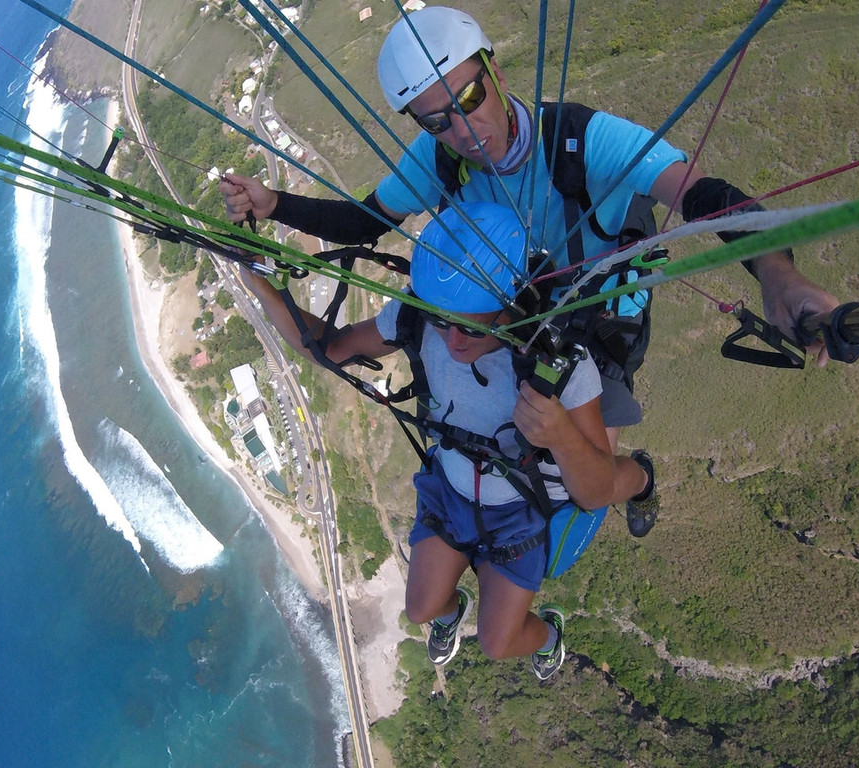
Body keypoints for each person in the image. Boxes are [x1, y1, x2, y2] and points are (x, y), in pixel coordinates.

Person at [221, 5, 840, 537]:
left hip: (590, 319)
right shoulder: (438, 160)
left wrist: (776, 274)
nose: (462, 130)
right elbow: (365, 222)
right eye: (436, 119)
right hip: (499, 317)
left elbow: (701, 195)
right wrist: (278, 207)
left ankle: (639, 479)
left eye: (469, 97)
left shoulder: (577, 139)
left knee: (592, 475)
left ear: (495, 70)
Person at [238, 201, 650, 680]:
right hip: (451, 491)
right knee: (419, 610)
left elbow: (595, 489)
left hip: (521, 509)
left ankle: (551, 633)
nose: (453, 341)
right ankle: (453, 613)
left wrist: (558, 433)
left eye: (472, 325)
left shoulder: (559, 365)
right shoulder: (417, 319)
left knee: (499, 643)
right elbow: (330, 346)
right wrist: (260, 285)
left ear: (512, 303)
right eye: (442, 321)